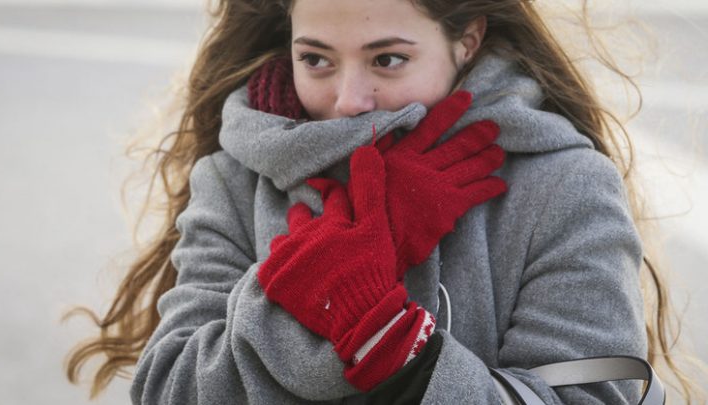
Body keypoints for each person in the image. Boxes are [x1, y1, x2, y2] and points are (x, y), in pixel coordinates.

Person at [63, 0, 701, 403]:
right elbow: (168, 388)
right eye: (316, 59)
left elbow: (594, 395)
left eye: (388, 59)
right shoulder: (234, 179)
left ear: (467, 40)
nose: (348, 99)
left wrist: (399, 353)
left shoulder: (562, 185)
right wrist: (307, 301)